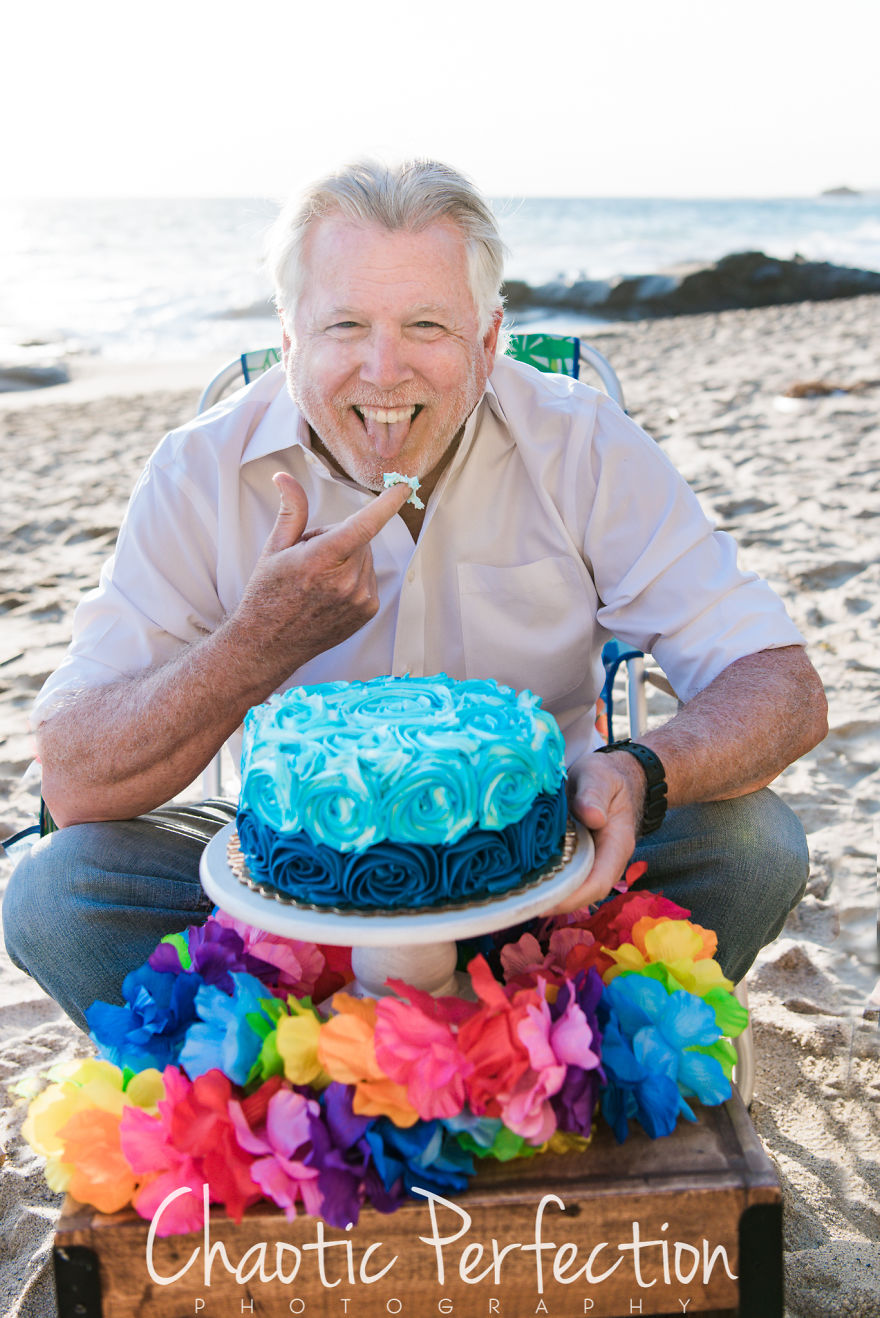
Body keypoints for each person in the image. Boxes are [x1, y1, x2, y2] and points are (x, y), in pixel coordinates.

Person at [4, 160, 827, 1031]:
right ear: (289, 340)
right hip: (288, 893)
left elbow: (782, 688)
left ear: (488, 339)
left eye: (426, 324)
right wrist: (256, 645)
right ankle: (308, 1095)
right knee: (56, 893)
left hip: (552, 868)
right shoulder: (200, 469)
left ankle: (561, 1062)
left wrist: (639, 772)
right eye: (345, 324)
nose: (383, 370)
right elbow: (73, 778)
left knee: (754, 845)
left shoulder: (582, 444)